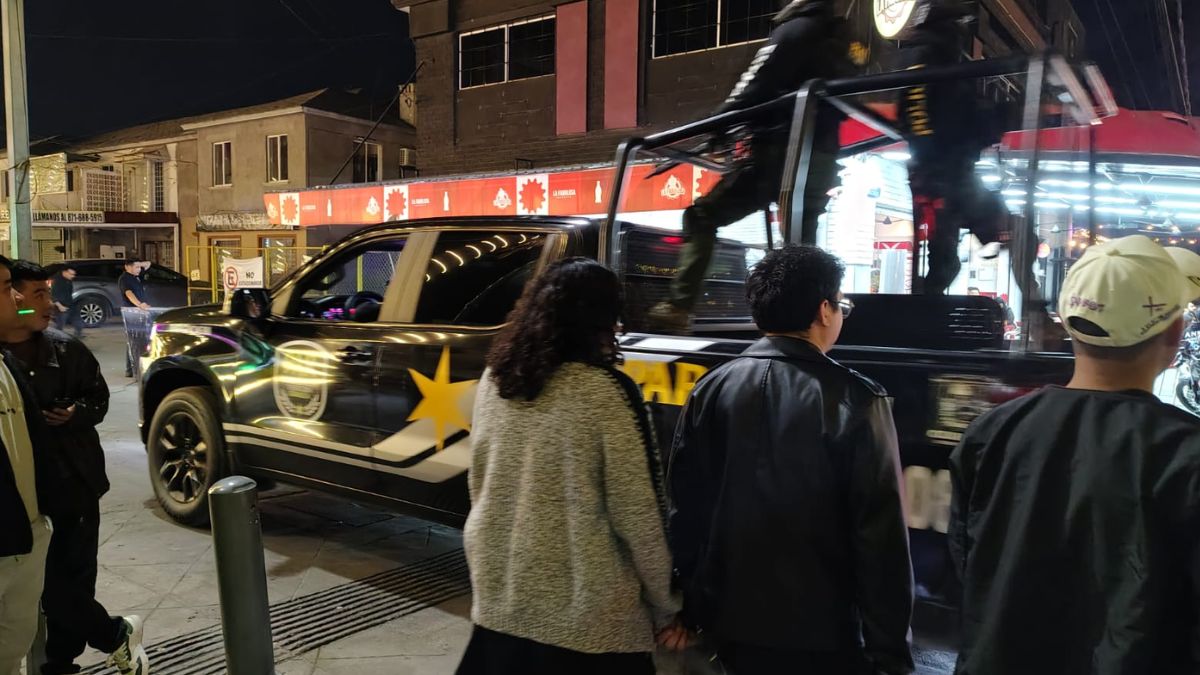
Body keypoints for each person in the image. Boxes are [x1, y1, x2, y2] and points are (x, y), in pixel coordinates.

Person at [949, 235, 1200, 673]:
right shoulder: (1185, 451)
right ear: (1175, 331)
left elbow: (968, 562)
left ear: (1066, 321)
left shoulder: (993, 430)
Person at [670, 245, 914, 674]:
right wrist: (889, 651)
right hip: (822, 632)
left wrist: (689, 607)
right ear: (824, 310)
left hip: (730, 624)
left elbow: (686, 510)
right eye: (843, 304)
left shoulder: (710, 390)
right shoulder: (856, 399)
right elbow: (880, 537)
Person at [457, 258, 684, 674]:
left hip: (500, 595)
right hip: (587, 625)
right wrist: (667, 603)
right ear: (604, 319)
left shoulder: (496, 380)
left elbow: (481, 483)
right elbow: (637, 515)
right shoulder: (607, 393)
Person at [649, 0, 856, 331]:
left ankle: (678, 307)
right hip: (821, 157)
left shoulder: (794, 30)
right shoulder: (843, 41)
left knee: (700, 216)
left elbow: (752, 87)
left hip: (777, 153)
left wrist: (716, 124)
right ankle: (810, 322)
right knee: (802, 248)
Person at [1, 261, 148, 675]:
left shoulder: (67, 349)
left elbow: (98, 398)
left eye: (48, 294)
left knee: (70, 581)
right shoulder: (5, 360)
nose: (47, 304)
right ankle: (111, 634)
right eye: (37, 296)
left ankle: (60, 663)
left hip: (74, 484)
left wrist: (76, 413)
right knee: (43, 586)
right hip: (28, 495)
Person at [898, 1, 1008, 296]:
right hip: (943, 174)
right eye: (960, 24)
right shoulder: (932, 58)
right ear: (950, 26)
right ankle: (924, 321)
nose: (963, 30)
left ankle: (926, 318)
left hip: (945, 171)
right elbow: (920, 112)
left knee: (950, 256)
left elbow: (920, 114)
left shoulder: (934, 58)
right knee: (945, 260)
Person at [0, 256, 71, 675]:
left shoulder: (8, 364)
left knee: (13, 648)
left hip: (27, 539)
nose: (16, 298)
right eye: (7, 287)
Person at [117, 260, 149, 378]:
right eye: (136, 267)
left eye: (139, 267)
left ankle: (134, 368)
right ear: (127, 267)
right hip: (132, 312)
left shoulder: (136, 276)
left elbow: (148, 264)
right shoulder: (125, 279)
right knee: (133, 341)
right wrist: (139, 304)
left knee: (138, 340)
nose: (139, 269)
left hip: (140, 312)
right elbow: (129, 294)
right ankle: (130, 369)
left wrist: (140, 264)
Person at [50, 267, 81, 338]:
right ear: (65, 272)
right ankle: (56, 338)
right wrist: (60, 306)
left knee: (78, 320)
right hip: (61, 306)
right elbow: (53, 295)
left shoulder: (68, 280)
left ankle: (78, 335)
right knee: (60, 325)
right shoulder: (57, 281)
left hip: (70, 304)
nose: (73, 276)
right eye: (71, 274)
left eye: (74, 274)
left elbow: (69, 293)